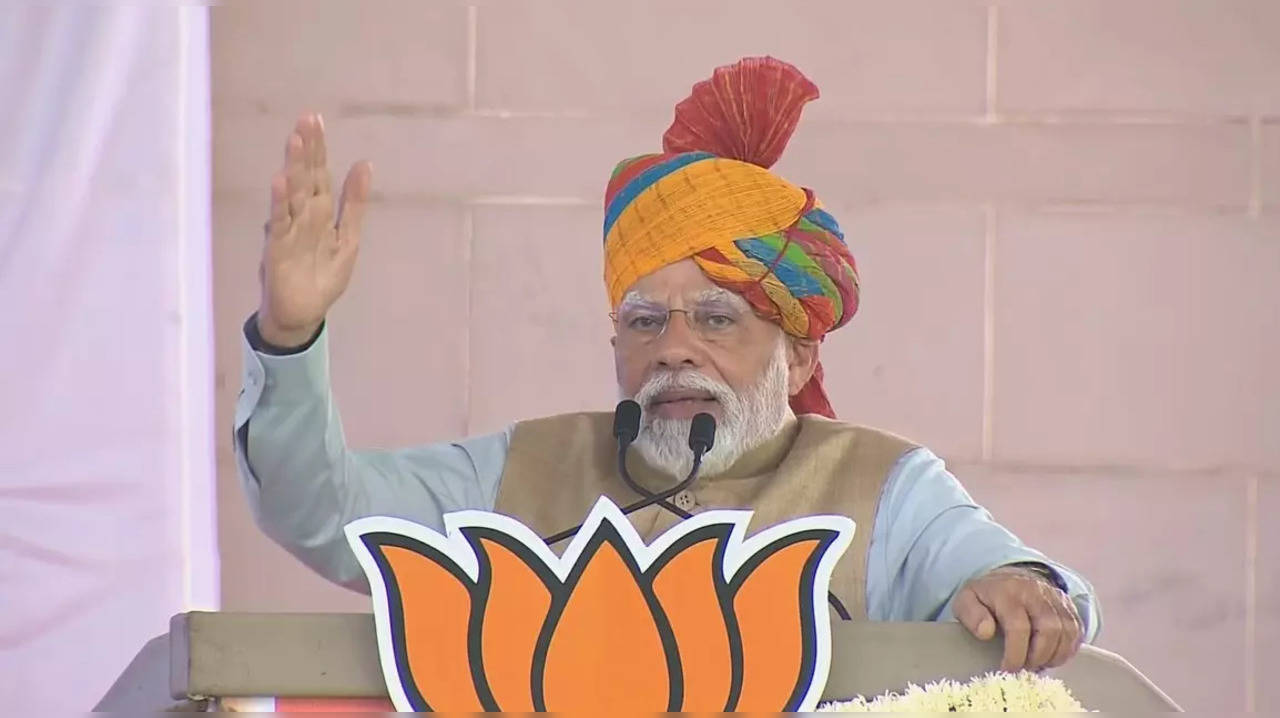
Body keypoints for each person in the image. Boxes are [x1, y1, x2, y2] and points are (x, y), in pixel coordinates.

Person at [235, 57, 1100, 672]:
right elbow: (323, 509)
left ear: (798, 355)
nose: (673, 348)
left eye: (717, 318)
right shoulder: (520, 473)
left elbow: (1016, 583)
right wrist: (288, 332)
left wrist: (1025, 590)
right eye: (644, 321)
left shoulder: (889, 489)